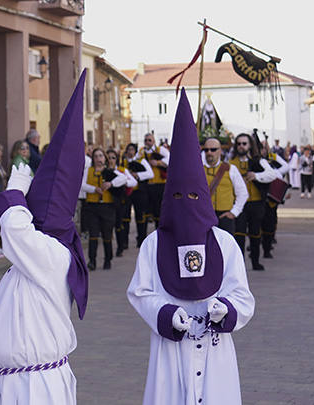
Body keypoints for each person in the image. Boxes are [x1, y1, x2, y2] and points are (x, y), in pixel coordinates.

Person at [0, 71, 90, 405]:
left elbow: (14, 229)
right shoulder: (30, 259)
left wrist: (16, 188)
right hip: (9, 384)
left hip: (35, 390)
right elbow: (25, 309)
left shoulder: (54, 254)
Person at [127, 90, 255, 405]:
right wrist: (166, 314)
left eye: (195, 198)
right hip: (171, 348)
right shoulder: (153, 244)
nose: (187, 205)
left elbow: (242, 295)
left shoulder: (224, 243)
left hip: (215, 348)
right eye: (179, 197)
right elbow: (140, 293)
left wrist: (227, 309)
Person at [229, 133, 279, 270]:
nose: (241, 146)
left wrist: (256, 175)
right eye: (239, 144)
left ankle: (255, 261)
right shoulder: (231, 163)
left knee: (255, 233)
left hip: (256, 202)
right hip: (238, 203)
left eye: (244, 143)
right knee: (239, 234)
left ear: (250, 145)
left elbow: (272, 174)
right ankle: (239, 265)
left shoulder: (258, 161)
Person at [80, 148, 134, 270]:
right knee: (93, 234)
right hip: (92, 206)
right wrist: (94, 189)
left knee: (107, 234)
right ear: (93, 159)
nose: (99, 159)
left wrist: (111, 184)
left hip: (107, 207)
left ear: (105, 158)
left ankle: (107, 259)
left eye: (101, 156)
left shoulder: (110, 171)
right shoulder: (88, 171)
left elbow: (124, 179)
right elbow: (82, 185)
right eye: (96, 156)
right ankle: (92, 260)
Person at [202, 138, 248, 238]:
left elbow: (243, 193)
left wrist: (234, 212)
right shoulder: (198, 170)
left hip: (225, 217)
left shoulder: (230, 169)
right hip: (204, 216)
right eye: (206, 150)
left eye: (213, 149)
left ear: (220, 151)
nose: (209, 152)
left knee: (225, 250)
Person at [105, 148, 138, 258]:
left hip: (119, 200)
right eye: (108, 158)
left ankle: (120, 247)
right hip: (106, 202)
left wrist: (122, 182)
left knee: (119, 224)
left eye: (113, 158)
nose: (111, 160)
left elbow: (133, 182)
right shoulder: (102, 171)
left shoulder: (121, 170)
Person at [137, 132, 170, 232]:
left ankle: (160, 232)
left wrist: (158, 163)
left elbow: (170, 159)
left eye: (149, 140)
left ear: (154, 141)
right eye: (146, 140)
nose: (147, 142)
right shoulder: (141, 151)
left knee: (159, 211)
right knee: (145, 211)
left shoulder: (161, 150)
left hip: (159, 184)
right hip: (146, 184)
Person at [123, 143, 154, 247]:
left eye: (132, 149)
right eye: (129, 149)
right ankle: (124, 242)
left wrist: (137, 175)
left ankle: (141, 240)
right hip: (126, 193)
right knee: (125, 217)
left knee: (140, 217)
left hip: (140, 192)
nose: (130, 152)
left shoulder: (142, 161)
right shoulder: (123, 162)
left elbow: (151, 174)